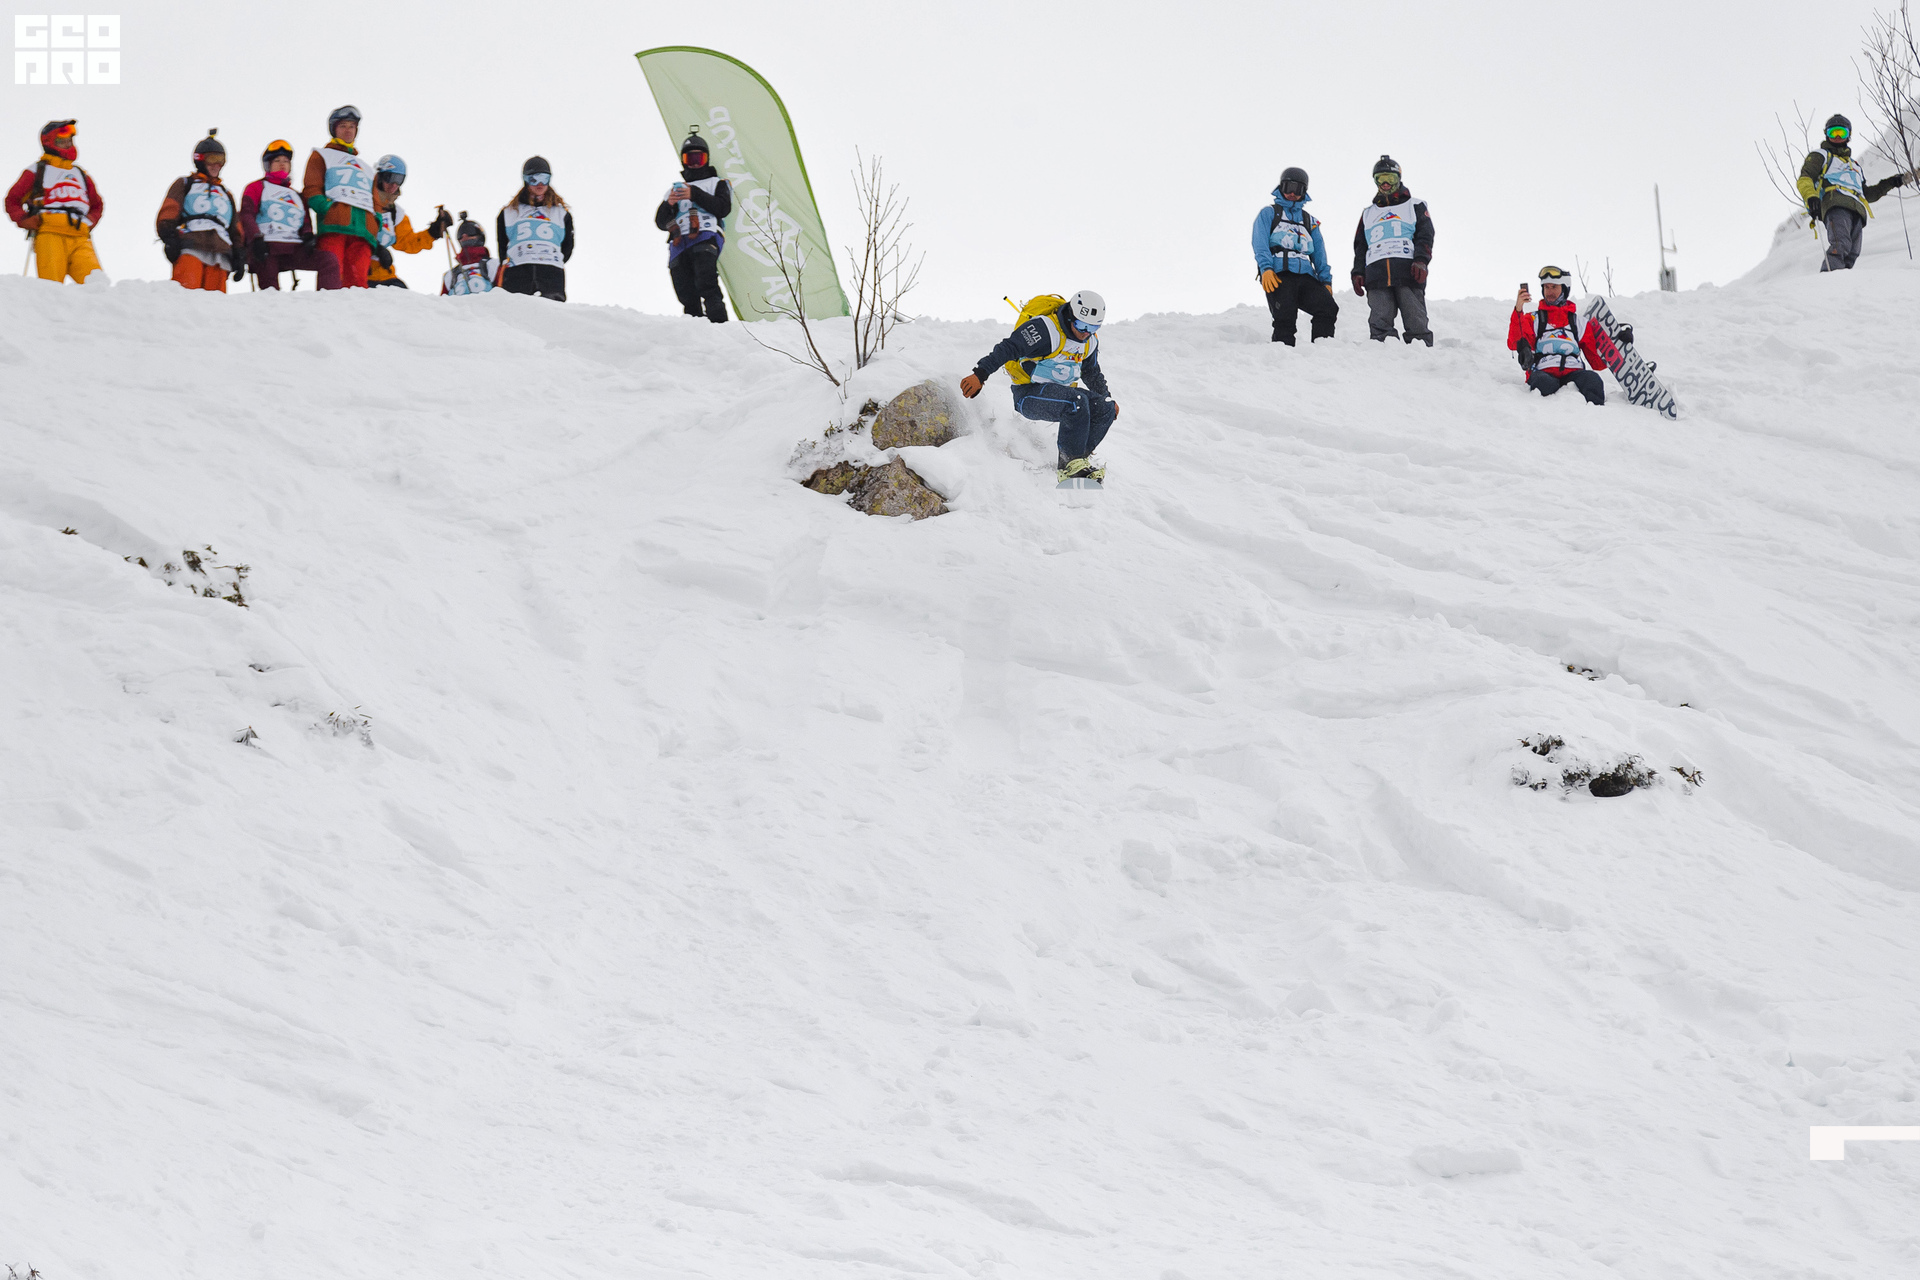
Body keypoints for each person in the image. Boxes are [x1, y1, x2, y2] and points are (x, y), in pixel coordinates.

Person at [960, 291, 1119, 483]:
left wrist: (1106, 396)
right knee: (1076, 402)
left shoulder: (1089, 341)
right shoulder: (1045, 330)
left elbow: (1091, 372)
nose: (1086, 332)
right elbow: (1009, 347)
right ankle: (1069, 467)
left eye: (1092, 327)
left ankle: (1077, 462)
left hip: (1062, 394)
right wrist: (980, 374)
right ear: (1071, 315)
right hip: (1029, 394)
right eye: (1081, 325)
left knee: (1105, 408)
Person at [1798, 113, 1914, 272]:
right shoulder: (1821, 156)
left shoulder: (1855, 166)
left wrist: (1893, 182)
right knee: (1840, 245)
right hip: (1835, 203)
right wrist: (1811, 197)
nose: (1837, 137)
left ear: (1849, 135)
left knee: (1852, 253)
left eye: (1841, 132)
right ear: (1826, 134)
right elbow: (1805, 177)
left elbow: (1868, 194)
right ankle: (1828, 279)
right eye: (1833, 132)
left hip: (1857, 210)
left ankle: (1842, 281)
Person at [6, 119, 104, 284]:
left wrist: (89, 221)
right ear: (49, 142)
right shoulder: (36, 170)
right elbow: (12, 200)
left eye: (70, 139)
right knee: (51, 286)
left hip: (80, 235)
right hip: (49, 233)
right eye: (61, 140)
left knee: (97, 285)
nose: (68, 143)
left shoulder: (81, 174)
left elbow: (97, 204)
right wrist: (24, 219)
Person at [1350, 155, 1434, 345]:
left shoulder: (1414, 205)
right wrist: (1358, 272)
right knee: (1380, 320)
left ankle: (1421, 352)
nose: (1385, 183)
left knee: (1415, 317)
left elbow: (1425, 235)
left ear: (1398, 179)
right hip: (1376, 272)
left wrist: (1421, 260)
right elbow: (1360, 246)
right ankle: (1382, 353)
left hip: (1407, 270)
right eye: (1380, 179)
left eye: (1390, 178)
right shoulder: (1368, 213)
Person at [1506, 265, 1616, 406]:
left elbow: (1597, 362)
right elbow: (1514, 342)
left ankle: (1594, 414)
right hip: (1544, 371)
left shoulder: (1579, 323)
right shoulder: (1533, 319)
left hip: (1573, 371)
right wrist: (1518, 310)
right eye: (1546, 287)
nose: (1549, 292)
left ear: (1564, 289)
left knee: (1593, 380)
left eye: (1554, 287)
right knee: (1544, 383)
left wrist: (1618, 341)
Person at [1250, 166, 1335, 345]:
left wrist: (1326, 280)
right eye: (1288, 187)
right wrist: (1266, 268)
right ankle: (1283, 354)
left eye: (1298, 189)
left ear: (1304, 192)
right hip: (1280, 274)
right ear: (1281, 187)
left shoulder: (1309, 221)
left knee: (1328, 308)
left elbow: (1319, 253)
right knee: (1285, 316)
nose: (1292, 194)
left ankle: (1323, 349)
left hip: (1306, 276)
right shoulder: (1270, 213)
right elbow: (1260, 243)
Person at [241, 139, 342, 291]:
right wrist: (255, 238)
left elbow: (305, 221)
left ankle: (328, 299)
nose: (282, 164)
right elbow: (247, 214)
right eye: (277, 161)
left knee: (328, 260)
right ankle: (270, 304)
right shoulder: (256, 187)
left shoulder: (297, 196)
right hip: (267, 247)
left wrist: (308, 235)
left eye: (286, 161)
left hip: (294, 247)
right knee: (270, 289)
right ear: (268, 165)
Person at [654, 132, 731, 322]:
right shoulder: (674, 190)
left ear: (706, 159)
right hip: (679, 242)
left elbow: (722, 208)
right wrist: (669, 204)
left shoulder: (717, 183)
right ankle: (694, 328)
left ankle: (719, 324)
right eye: (690, 159)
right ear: (683, 161)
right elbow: (660, 222)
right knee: (685, 291)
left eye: (699, 158)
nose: (695, 164)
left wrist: (695, 194)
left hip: (705, 235)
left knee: (706, 281)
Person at [301, 105, 380, 288]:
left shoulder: (366, 167)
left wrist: (376, 220)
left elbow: (376, 200)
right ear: (334, 129)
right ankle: (327, 308)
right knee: (332, 279)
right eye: (343, 126)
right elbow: (312, 188)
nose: (348, 130)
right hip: (335, 226)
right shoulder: (322, 155)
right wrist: (326, 208)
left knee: (358, 284)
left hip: (363, 231)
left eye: (352, 126)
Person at [155, 130, 244, 292]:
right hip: (191, 243)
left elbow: (235, 226)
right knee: (187, 294)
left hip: (220, 250)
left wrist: (239, 252)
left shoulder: (226, 193)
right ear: (200, 159)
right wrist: (169, 237)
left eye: (221, 160)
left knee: (215, 302)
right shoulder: (186, 184)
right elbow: (170, 210)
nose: (217, 165)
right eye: (213, 159)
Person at [365, 155, 451, 289]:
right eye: (390, 177)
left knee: (403, 295)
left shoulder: (395, 213)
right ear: (380, 177)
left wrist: (433, 232)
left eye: (399, 180)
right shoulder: (362, 202)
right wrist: (376, 248)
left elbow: (407, 242)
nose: (394, 185)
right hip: (357, 271)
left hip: (384, 275)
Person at [496, 156, 572, 300]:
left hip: (550, 272)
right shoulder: (509, 212)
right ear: (526, 180)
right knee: (515, 310)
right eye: (534, 179)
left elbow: (568, 246)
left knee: (550, 311)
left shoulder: (561, 213)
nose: (540, 184)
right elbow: (502, 244)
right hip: (518, 271)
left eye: (544, 178)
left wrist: (553, 260)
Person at [442, 218, 497, 295]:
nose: (464, 235)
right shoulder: (450, 275)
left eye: (470, 232)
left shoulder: (493, 265)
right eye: (460, 235)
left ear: (480, 236)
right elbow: (441, 302)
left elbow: (506, 295)